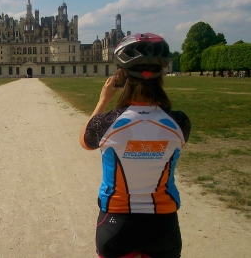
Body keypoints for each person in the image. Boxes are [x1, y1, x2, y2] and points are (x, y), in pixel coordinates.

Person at [80, 33, 191, 258]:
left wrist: (103, 100)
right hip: (163, 226)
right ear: (161, 76)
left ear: (121, 77)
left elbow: (86, 141)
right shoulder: (180, 122)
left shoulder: (107, 122)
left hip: (116, 223)